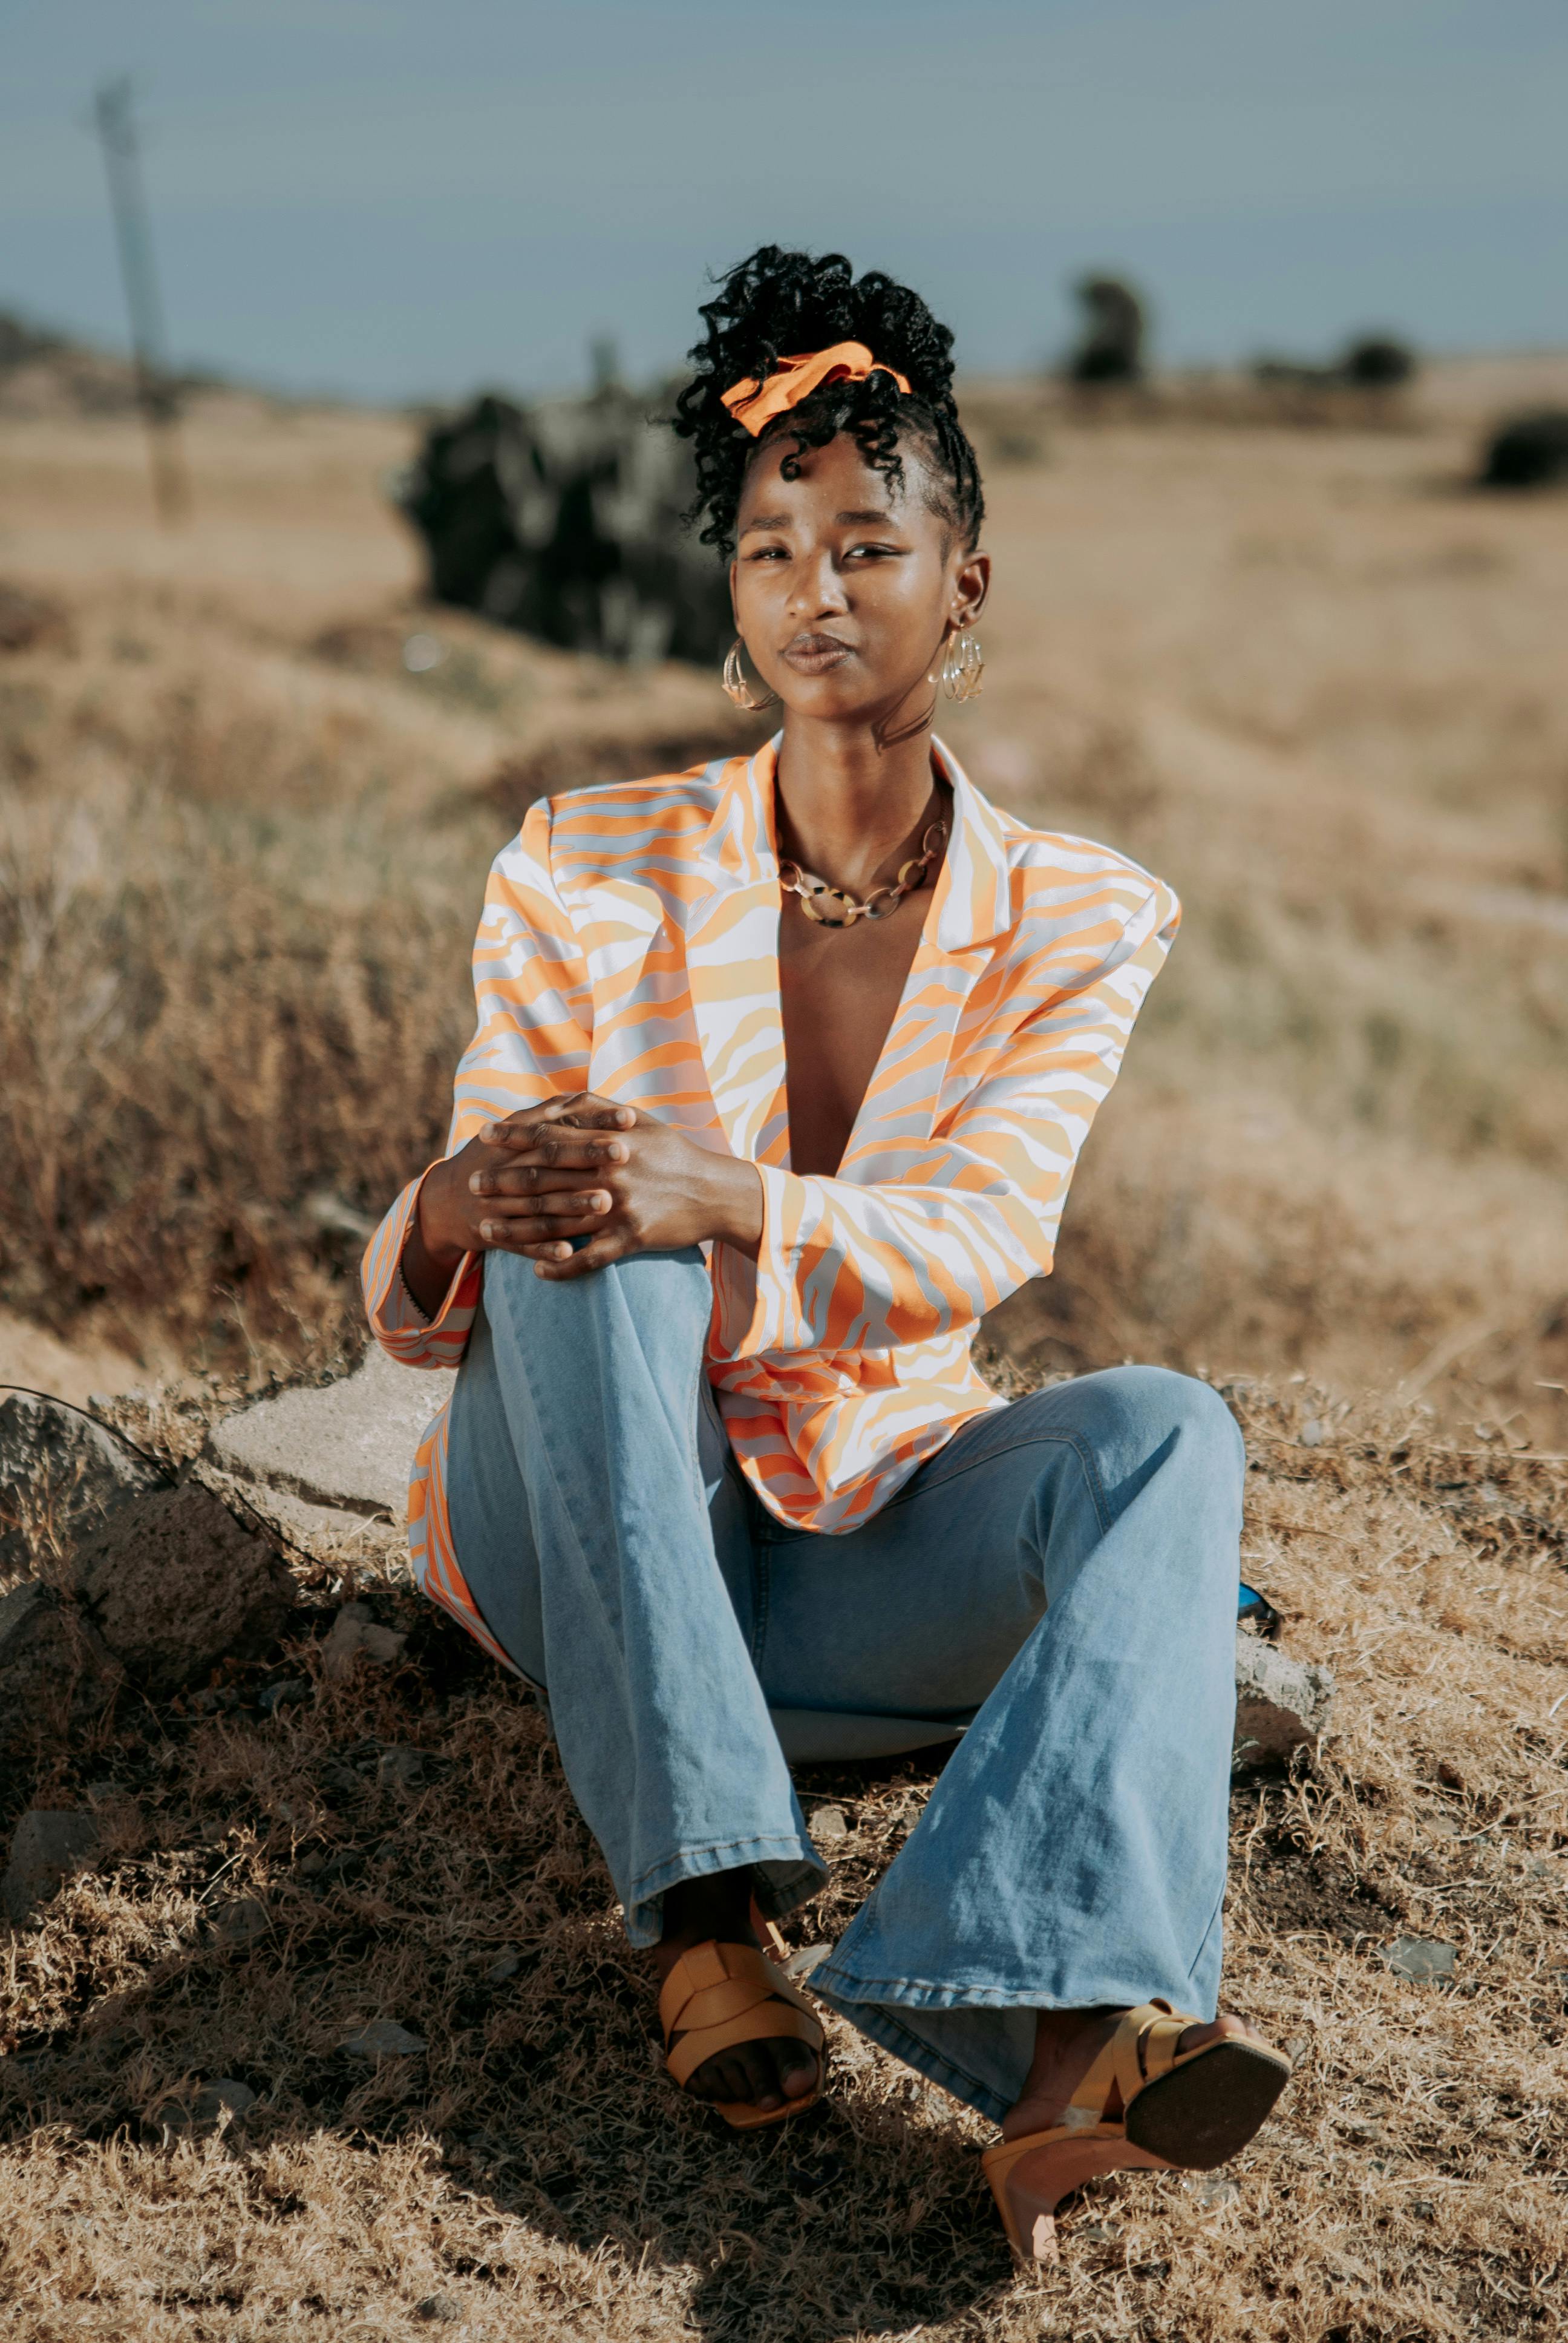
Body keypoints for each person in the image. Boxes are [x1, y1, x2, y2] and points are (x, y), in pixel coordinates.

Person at [362, 246, 1292, 2262]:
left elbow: (981, 1233)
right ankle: (710, 1918)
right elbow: (469, 1223)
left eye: (870, 541)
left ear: (965, 579)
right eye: (773, 546)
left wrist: (737, 1204)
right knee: (589, 1231)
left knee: (1169, 1438)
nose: (817, 588)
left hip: (865, 1551)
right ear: (730, 590)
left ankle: (1051, 2059)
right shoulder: (578, 859)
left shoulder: (1083, 912)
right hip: (597, 1532)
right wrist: (464, 1201)